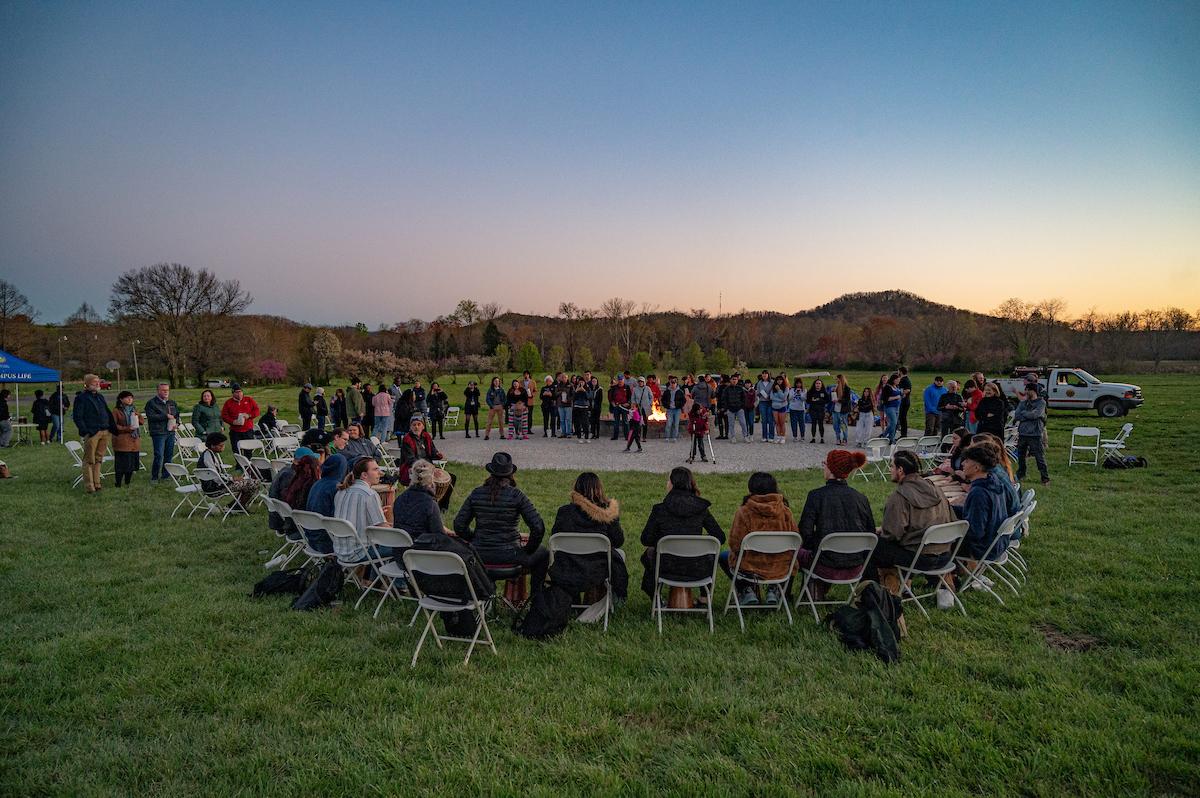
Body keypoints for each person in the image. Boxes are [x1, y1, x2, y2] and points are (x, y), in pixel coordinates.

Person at [454, 452, 549, 595]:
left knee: (543, 553)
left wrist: (474, 539)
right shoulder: (517, 495)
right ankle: (537, 599)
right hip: (510, 554)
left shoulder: (477, 493)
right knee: (544, 553)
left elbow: (459, 525)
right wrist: (528, 550)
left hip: (479, 555)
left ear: (491, 472)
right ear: (510, 474)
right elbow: (538, 527)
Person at [864, 449, 956, 588]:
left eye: (892, 466)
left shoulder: (899, 496)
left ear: (900, 470)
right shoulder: (937, 490)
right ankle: (940, 586)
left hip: (919, 559)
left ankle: (882, 591)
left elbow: (892, 535)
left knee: (871, 544)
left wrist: (882, 532)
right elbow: (952, 520)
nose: (890, 470)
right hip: (945, 555)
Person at [639, 466, 725, 597]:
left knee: (650, 553)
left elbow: (646, 539)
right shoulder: (701, 509)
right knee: (709, 551)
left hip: (666, 567)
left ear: (672, 484)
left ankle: (656, 596)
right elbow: (719, 537)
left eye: (668, 480)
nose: (667, 483)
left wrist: (662, 539)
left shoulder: (660, 510)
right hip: (697, 567)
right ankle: (704, 597)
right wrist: (702, 542)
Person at [798, 450, 875, 596]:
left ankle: (809, 592)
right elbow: (870, 533)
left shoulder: (816, 496)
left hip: (824, 565)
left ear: (831, 468)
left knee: (796, 549)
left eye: (825, 463)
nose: (824, 466)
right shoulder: (861, 498)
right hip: (856, 565)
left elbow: (804, 533)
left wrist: (820, 545)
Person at [549, 471, 630, 600]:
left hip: (568, 567)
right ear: (599, 490)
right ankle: (599, 600)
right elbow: (618, 541)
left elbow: (555, 538)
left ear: (576, 490)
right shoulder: (608, 513)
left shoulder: (564, 512)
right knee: (618, 554)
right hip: (597, 569)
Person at [722, 472, 797, 606]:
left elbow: (735, 545)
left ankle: (746, 589)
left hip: (750, 568)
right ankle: (774, 589)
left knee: (723, 556)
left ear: (751, 489)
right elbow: (795, 541)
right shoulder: (786, 511)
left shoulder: (744, 512)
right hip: (780, 567)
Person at [954, 443, 1011, 564]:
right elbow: (977, 515)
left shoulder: (979, 493)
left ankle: (952, 574)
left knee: (937, 543)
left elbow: (975, 532)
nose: (963, 463)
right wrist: (950, 508)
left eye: (967, 461)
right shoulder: (993, 481)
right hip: (998, 542)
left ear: (976, 468)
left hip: (983, 548)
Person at [332, 457, 388, 562]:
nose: (380, 473)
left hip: (339, 551)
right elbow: (382, 530)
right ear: (364, 475)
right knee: (403, 548)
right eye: (375, 469)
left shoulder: (341, 492)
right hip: (360, 552)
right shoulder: (369, 494)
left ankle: (370, 573)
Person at [196, 432, 259, 511]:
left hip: (214, 486)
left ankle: (235, 506)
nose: (223, 447)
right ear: (212, 445)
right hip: (215, 489)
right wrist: (232, 479)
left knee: (248, 482)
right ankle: (236, 507)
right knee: (253, 484)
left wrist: (232, 478)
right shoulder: (208, 458)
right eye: (221, 445)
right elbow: (216, 477)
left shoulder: (208, 454)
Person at [72, 374, 113, 493]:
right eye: (94, 382)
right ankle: (89, 486)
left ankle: (97, 483)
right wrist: (86, 431)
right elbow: (78, 416)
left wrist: (110, 426)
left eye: (98, 381)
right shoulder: (81, 398)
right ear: (87, 384)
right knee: (89, 460)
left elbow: (106, 411)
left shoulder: (100, 397)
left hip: (104, 431)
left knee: (99, 459)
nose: (97, 383)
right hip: (92, 432)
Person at [392, 459, 449, 539]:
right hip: (421, 545)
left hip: (399, 544)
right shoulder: (430, 504)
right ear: (431, 479)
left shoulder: (399, 499)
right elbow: (439, 535)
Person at [142, 382, 179, 484]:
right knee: (159, 455)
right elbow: (151, 417)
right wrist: (165, 416)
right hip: (158, 432)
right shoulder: (151, 403)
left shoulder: (172, 403)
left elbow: (177, 415)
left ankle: (166, 475)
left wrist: (177, 424)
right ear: (158, 391)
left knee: (169, 454)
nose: (166, 392)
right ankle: (154, 477)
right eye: (163, 390)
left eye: (167, 390)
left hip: (171, 432)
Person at [1013, 384, 1050, 485]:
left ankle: (1045, 477)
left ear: (1033, 391)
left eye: (1027, 390)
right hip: (1023, 433)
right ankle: (1021, 473)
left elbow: (1035, 414)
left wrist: (1025, 413)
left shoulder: (1041, 403)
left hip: (1035, 433)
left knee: (1039, 457)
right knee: (1021, 456)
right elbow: (1017, 415)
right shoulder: (1023, 403)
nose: (1025, 392)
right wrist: (1028, 414)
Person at [398, 415, 444, 485]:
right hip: (412, 468)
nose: (416, 427)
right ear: (410, 427)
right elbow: (411, 460)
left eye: (419, 424)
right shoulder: (407, 439)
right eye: (414, 425)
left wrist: (438, 455)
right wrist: (427, 467)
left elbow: (433, 451)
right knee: (432, 477)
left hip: (427, 467)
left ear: (423, 426)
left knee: (447, 477)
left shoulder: (426, 436)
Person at [110, 391, 142, 487]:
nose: (130, 399)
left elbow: (141, 421)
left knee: (131, 464)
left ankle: (127, 482)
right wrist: (127, 428)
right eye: (127, 398)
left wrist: (137, 416)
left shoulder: (134, 409)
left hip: (134, 440)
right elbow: (113, 426)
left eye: (131, 398)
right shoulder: (116, 411)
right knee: (121, 464)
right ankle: (118, 483)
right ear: (121, 399)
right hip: (122, 440)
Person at [220, 383, 260, 455]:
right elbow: (224, 416)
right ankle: (239, 462)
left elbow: (257, 410)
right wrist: (233, 421)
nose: (239, 394)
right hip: (235, 431)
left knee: (248, 451)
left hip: (248, 430)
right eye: (236, 392)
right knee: (236, 451)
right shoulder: (228, 403)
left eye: (240, 391)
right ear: (233, 393)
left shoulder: (249, 400)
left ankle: (248, 462)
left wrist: (249, 415)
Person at [661, 376, 686, 443]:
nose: (673, 384)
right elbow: (663, 399)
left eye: (674, 383)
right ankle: (667, 437)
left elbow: (684, 400)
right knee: (669, 423)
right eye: (671, 383)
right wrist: (666, 405)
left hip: (677, 410)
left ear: (676, 383)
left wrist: (679, 405)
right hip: (669, 409)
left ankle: (675, 437)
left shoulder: (680, 391)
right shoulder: (667, 391)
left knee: (676, 424)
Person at [881, 373, 902, 444]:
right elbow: (886, 399)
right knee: (894, 423)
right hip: (890, 407)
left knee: (893, 424)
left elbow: (900, 394)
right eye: (897, 380)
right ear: (893, 380)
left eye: (899, 380)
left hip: (897, 407)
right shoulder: (887, 387)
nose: (899, 381)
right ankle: (890, 438)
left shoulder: (896, 386)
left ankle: (886, 436)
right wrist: (896, 397)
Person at [831, 374, 852, 446]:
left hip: (843, 410)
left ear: (841, 379)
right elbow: (832, 397)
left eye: (837, 379)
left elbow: (847, 400)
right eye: (836, 379)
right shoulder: (835, 387)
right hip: (835, 410)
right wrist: (832, 392)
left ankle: (845, 439)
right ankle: (838, 438)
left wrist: (839, 400)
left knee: (843, 425)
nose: (836, 381)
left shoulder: (847, 388)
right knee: (835, 425)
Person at [631, 376, 653, 442]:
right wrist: (634, 404)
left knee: (645, 422)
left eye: (642, 381)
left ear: (644, 382)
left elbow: (651, 397)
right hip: (638, 407)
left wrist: (649, 403)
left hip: (646, 407)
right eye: (639, 381)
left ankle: (644, 437)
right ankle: (638, 436)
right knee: (638, 423)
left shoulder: (647, 388)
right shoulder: (635, 389)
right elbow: (633, 398)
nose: (640, 382)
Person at [806, 378, 828, 444]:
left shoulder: (824, 392)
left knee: (821, 424)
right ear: (814, 384)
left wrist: (819, 400)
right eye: (816, 383)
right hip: (813, 410)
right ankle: (813, 438)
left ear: (821, 385)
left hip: (821, 410)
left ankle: (822, 438)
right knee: (813, 424)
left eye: (819, 383)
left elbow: (827, 400)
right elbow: (807, 401)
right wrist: (812, 400)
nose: (818, 385)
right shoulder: (811, 392)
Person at [754, 370, 774, 442]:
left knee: (770, 419)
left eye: (766, 374)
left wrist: (769, 396)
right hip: (762, 402)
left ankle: (771, 436)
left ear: (768, 375)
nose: (764, 375)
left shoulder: (772, 382)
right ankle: (764, 436)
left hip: (770, 402)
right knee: (764, 419)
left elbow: (774, 391)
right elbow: (757, 393)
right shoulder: (759, 383)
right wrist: (761, 394)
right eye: (763, 374)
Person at [608, 376, 629, 441]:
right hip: (616, 406)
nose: (620, 381)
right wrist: (612, 403)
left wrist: (628, 403)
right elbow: (610, 397)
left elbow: (630, 396)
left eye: (621, 380)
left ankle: (627, 436)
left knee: (625, 421)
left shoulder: (627, 387)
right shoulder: (614, 387)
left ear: (623, 380)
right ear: (618, 381)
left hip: (624, 406)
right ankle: (615, 436)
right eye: (619, 380)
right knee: (616, 422)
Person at [770, 376, 789, 445]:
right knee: (777, 422)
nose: (779, 381)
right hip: (774, 407)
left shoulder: (786, 388)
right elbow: (771, 397)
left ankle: (783, 437)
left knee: (782, 423)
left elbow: (784, 397)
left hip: (782, 407)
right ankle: (778, 436)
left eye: (781, 380)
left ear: (783, 381)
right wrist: (780, 400)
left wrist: (779, 390)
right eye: (778, 380)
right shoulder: (773, 388)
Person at [572, 376, 592, 442]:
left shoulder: (587, 388)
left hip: (584, 407)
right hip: (577, 407)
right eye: (580, 382)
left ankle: (586, 437)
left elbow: (589, 397)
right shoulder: (575, 388)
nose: (581, 383)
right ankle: (579, 437)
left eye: (582, 382)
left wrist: (584, 390)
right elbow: (573, 398)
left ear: (584, 382)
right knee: (577, 423)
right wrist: (576, 391)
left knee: (585, 423)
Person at [896, 366, 913, 438]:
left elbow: (908, 390)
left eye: (898, 371)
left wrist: (899, 393)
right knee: (902, 418)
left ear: (900, 371)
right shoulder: (903, 379)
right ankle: (903, 434)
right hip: (904, 401)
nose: (897, 372)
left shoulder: (905, 380)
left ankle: (903, 435)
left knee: (902, 418)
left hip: (904, 401)